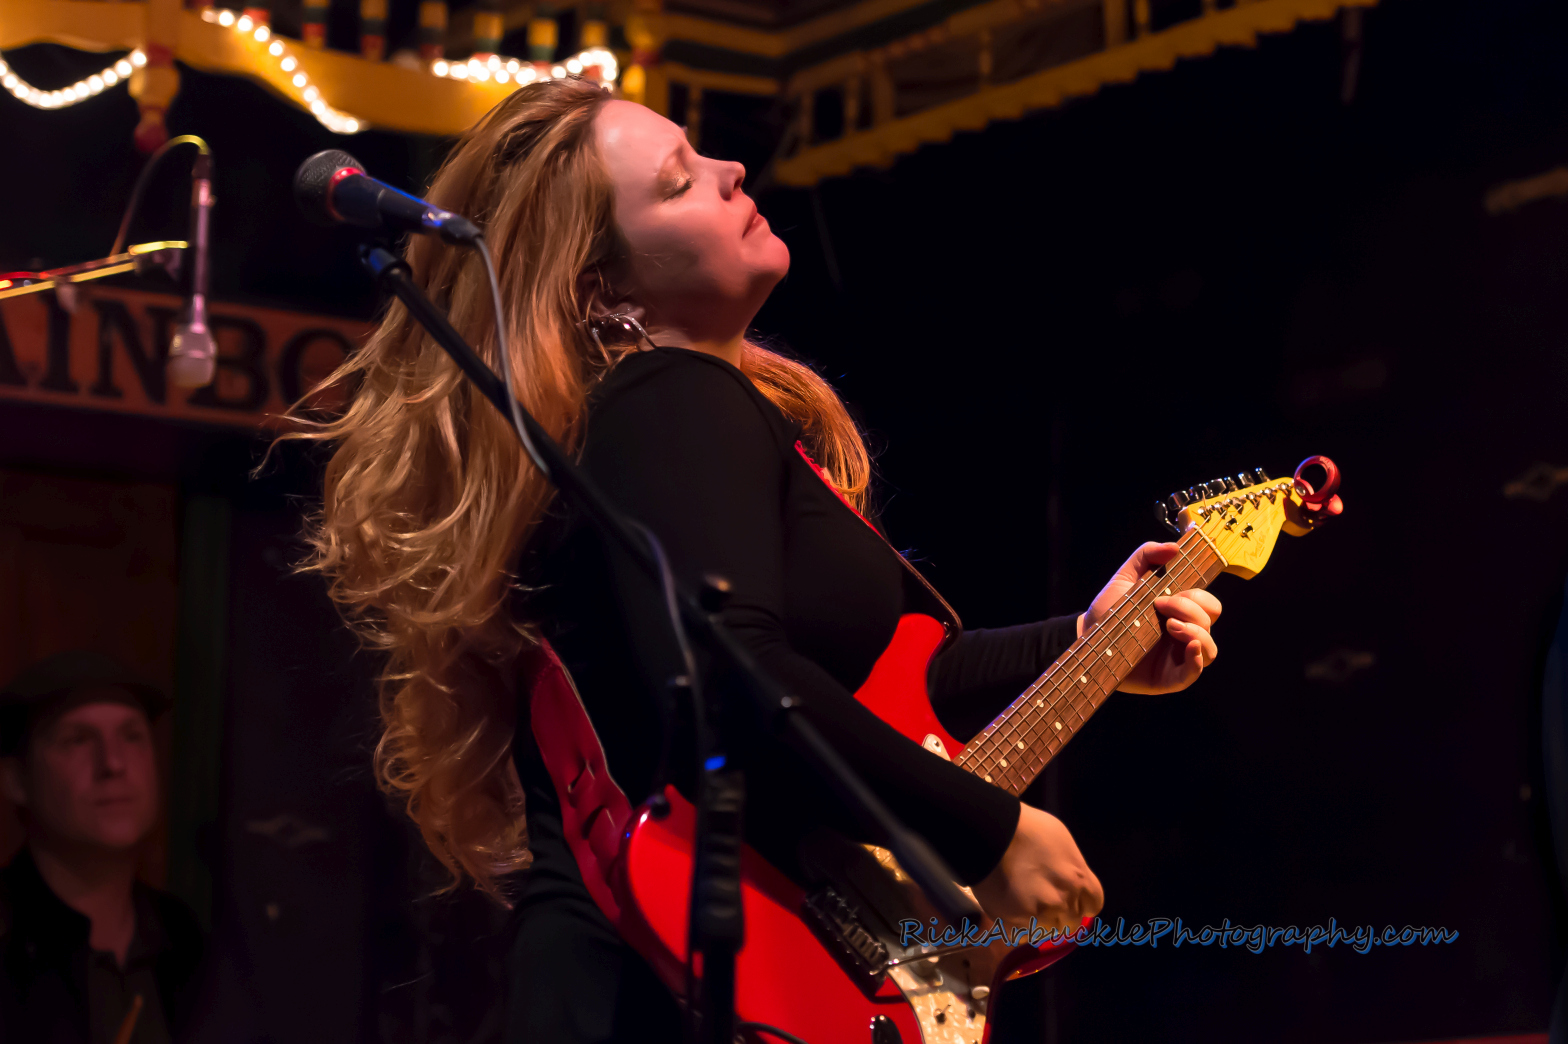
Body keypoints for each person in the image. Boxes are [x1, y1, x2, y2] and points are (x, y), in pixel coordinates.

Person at [294, 78, 1223, 1042]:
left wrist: (1087, 640)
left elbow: (873, 689)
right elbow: (734, 678)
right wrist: (988, 831)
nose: (733, 169)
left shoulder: (674, 420)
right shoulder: (666, 396)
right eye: (679, 181)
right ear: (603, 290)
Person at [0, 651, 204, 1044]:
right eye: (77, 739)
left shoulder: (187, 941)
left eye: (132, 736)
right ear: (16, 780)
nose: (113, 763)